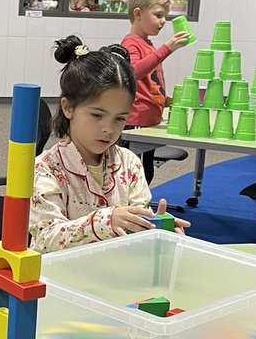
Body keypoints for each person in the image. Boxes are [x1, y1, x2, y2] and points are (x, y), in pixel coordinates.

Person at [30, 36, 189, 252]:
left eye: (120, 118)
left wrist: (157, 229)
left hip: (115, 275)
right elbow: (46, 239)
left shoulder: (129, 164)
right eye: (97, 115)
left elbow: (135, 226)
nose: (109, 129)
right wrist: (105, 222)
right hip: (60, 278)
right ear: (68, 108)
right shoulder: (46, 168)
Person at [121, 0, 191, 185]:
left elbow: (149, 81)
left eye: (165, 17)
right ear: (138, 14)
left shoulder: (147, 44)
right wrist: (166, 49)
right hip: (136, 122)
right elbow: (133, 72)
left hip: (149, 119)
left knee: (146, 173)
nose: (163, 22)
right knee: (137, 176)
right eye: (158, 15)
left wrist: (163, 99)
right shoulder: (131, 43)